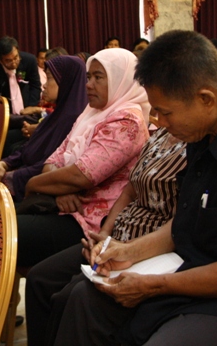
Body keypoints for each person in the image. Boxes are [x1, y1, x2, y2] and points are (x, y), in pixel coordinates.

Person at [53, 30, 217, 346]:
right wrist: (127, 251)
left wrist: (153, 285)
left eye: (166, 113)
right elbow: (187, 220)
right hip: (195, 270)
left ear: (206, 98)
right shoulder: (205, 131)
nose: (161, 124)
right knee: (83, 300)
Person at [24, 127, 187, 346]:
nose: (160, 118)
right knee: (41, 278)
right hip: (117, 234)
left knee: (73, 296)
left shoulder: (194, 144)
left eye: (165, 111)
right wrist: (105, 234)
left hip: (148, 248)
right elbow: (130, 190)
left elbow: (81, 176)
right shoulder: (162, 134)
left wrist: (125, 249)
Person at [16, 48, 150, 268]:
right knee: (0, 225)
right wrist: (61, 189)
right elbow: (53, 160)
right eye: (88, 77)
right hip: (64, 205)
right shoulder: (91, 113)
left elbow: (82, 176)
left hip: (91, 221)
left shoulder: (127, 122)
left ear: (120, 80)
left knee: (3, 232)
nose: (89, 84)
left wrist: (34, 183)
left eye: (98, 77)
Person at [0, 55, 88, 202]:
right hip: (25, 177)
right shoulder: (59, 113)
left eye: (50, 78)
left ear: (66, 81)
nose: (44, 85)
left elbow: (48, 165)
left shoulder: (72, 119)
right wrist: (4, 163)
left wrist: (10, 178)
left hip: (36, 190)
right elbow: (29, 147)